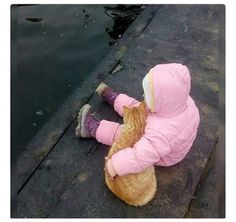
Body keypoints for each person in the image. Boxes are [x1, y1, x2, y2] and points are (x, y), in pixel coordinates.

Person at [75, 63, 200, 179]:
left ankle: (92, 129)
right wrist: (150, 102)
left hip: (165, 156)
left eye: (149, 95)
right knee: (138, 108)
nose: (144, 95)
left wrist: (115, 166)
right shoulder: (181, 102)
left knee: (126, 134)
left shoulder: (160, 136)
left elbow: (138, 157)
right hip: (164, 128)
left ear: (162, 100)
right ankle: (115, 99)